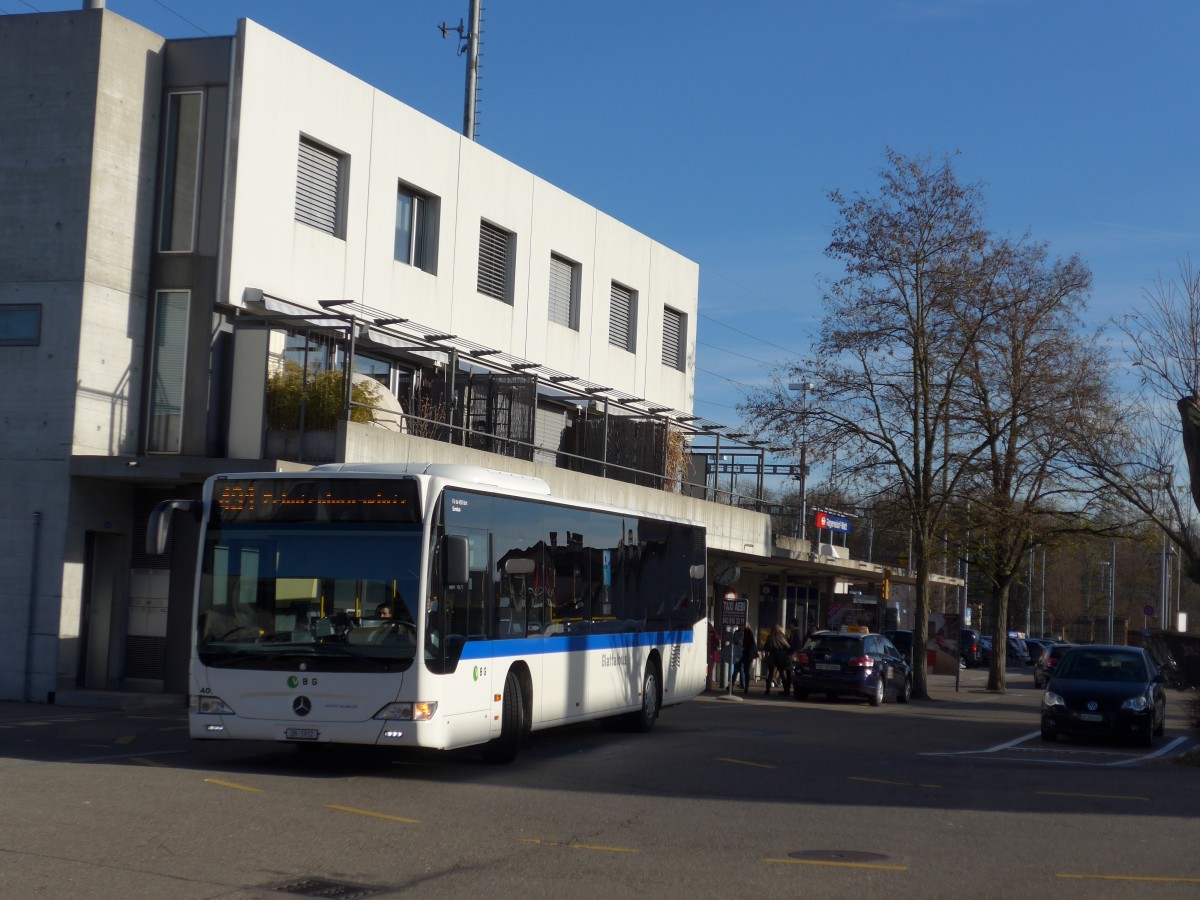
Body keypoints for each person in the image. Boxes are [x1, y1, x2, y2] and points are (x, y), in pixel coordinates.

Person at [763, 624, 791, 695]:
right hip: (781, 658)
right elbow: (787, 647)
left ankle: (767, 690)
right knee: (782, 674)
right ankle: (786, 690)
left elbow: (766, 648)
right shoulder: (782, 636)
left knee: (770, 674)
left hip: (772, 657)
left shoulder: (770, 637)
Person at [739, 624, 758, 695]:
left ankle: (746, 687)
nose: (740, 627)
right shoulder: (738, 632)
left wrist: (745, 647)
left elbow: (752, 643)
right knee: (737, 669)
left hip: (747, 654)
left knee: (746, 671)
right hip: (739, 653)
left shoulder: (748, 632)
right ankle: (732, 686)